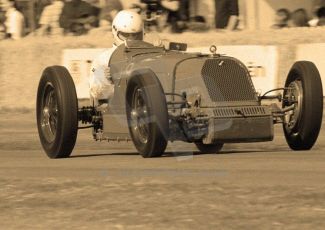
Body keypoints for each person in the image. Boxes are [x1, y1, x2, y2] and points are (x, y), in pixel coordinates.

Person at [89, 10, 144, 106]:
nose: (131, 40)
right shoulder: (102, 59)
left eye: (135, 35)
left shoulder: (149, 55)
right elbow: (96, 92)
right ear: (115, 32)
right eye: (125, 35)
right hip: (116, 108)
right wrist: (106, 79)